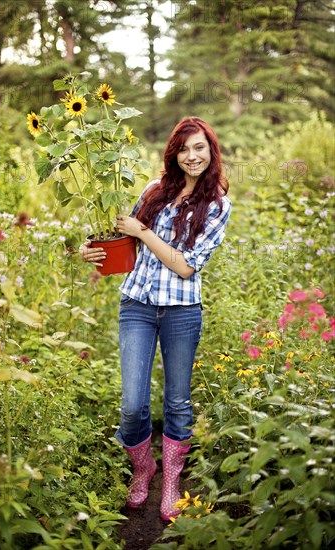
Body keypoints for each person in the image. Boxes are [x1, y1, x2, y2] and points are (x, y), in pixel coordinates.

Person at [80, 117, 231, 520]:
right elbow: (123, 240)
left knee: (178, 401)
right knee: (132, 403)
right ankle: (144, 467)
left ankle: (171, 483)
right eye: (184, 148)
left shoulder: (218, 205)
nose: (192, 156)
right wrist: (91, 250)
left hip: (182, 310)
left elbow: (185, 267)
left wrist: (144, 232)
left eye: (199, 147)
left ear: (211, 151)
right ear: (174, 153)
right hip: (138, 306)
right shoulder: (153, 190)